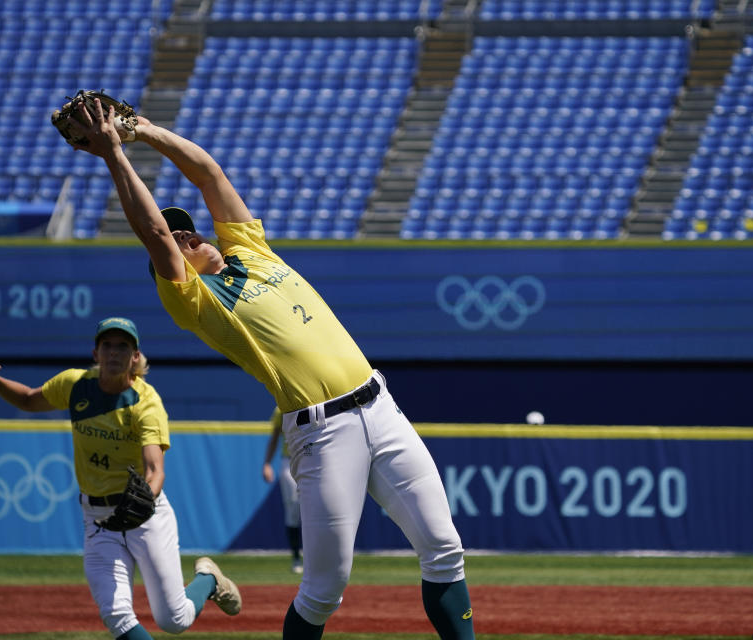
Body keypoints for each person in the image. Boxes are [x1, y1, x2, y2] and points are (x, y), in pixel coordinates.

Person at [69, 98, 475, 640]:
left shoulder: (251, 250)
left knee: (444, 548)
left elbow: (209, 173)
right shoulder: (195, 301)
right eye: (178, 240)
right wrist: (115, 155)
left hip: (381, 405)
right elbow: (154, 234)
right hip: (323, 433)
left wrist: (143, 130)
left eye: (189, 230)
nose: (188, 237)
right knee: (325, 587)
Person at [0, 318, 241, 640]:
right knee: (116, 614)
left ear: (135, 357)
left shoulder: (146, 402)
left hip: (145, 518)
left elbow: (155, 469)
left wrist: (145, 499)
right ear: (96, 353)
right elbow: (30, 399)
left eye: (123, 346)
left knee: (174, 619)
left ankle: (209, 579)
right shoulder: (76, 385)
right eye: (108, 345)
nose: (114, 352)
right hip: (98, 521)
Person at [263, 406, 303, 574]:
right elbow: (275, 437)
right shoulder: (281, 408)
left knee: (316, 510)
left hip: (311, 459)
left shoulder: (314, 401)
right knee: (293, 509)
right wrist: (266, 463)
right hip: (289, 461)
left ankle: (316, 557)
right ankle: (296, 557)